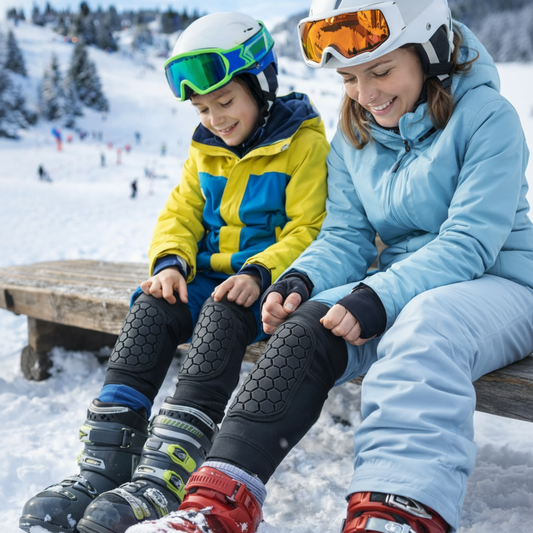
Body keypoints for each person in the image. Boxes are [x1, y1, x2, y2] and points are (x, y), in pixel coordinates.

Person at [123, 1, 533, 533]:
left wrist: (379, 295)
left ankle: (395, 514)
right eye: (349, 79)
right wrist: (299, 280)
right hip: (402, 284)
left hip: (499, 282)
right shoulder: (355, 137)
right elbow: (344, 236)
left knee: (426, 325)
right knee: (307, 328)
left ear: (430, 51)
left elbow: (470, 241)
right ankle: (215, 504)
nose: (366, 94)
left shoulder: (488, 118)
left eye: (381, 71)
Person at [19, 11, 329, 533]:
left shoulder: (303, 145)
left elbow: (310, 228)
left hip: (269, 286)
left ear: (262, 85)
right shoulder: (205, 148)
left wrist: (259, 271)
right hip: (208, 278)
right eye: (202, 108)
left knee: (221, 314)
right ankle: (105, 465)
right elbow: (180, 214)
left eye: (225, 102)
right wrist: (169, 263)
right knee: (151, 307)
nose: (215, 118)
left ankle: (168, 471)